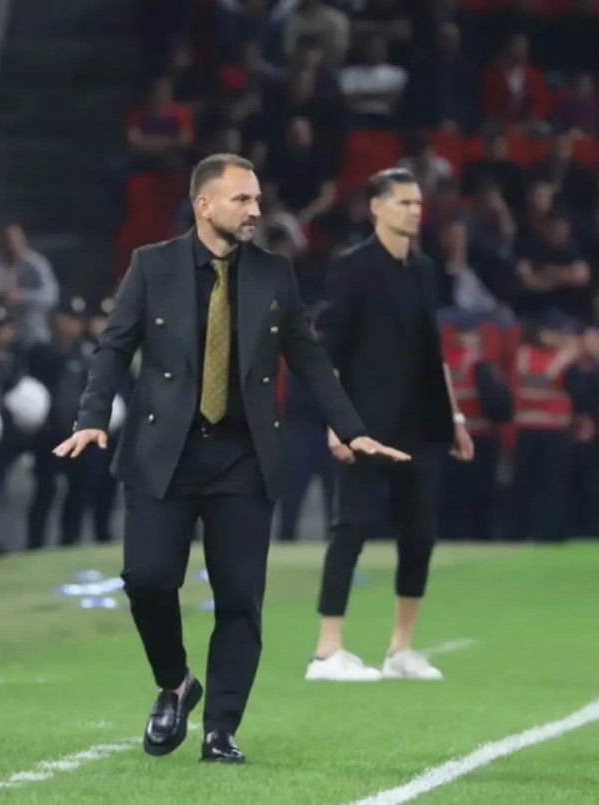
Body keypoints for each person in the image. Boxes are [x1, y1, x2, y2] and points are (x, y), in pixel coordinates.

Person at [54, 153, 408, 764]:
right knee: (147, 579)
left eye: (257, 199)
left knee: (240, 598)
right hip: (162, 452)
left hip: (243, 456)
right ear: (205, 205)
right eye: (242, 199)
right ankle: (175, 682)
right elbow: (113, 349)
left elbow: (310, 359)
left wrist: (352, 429)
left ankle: (221, 729)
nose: (255, 210)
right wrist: (91, 417)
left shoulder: (275, 274)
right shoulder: (151, 266)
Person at [306, 168, 475, 683]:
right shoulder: (352, 267)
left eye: (418, 203)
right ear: (376, 207)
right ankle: (327, 652)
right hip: (365, 424)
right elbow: (328, 349)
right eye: (403, 202)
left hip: (421, 423)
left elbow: (433, 350)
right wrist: (337, 422)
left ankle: (401, 649)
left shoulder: (423, 269)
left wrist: (455, 417)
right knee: (351, 529)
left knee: (420, 534)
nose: (414, 211)